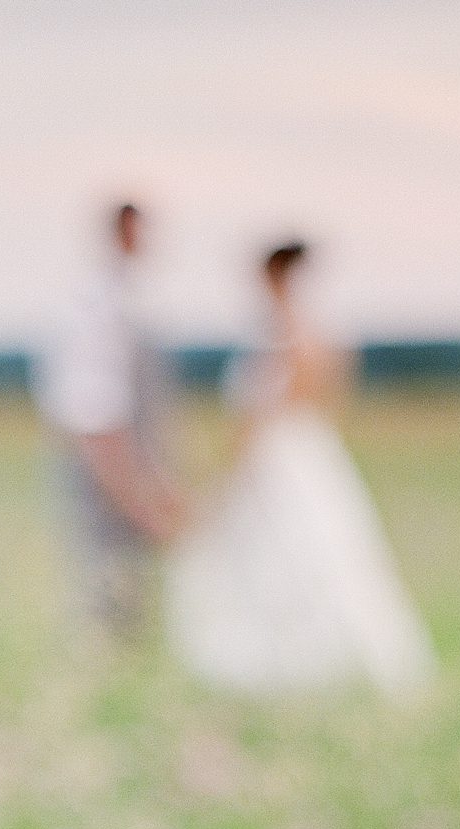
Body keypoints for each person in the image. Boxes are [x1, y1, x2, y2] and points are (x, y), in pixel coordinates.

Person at [166, 239, 435, 694]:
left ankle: (286, 665)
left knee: (280, 552)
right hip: (310, 453)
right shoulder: (320, 334)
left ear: (273, 276)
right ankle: (321, 662)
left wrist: (230, 472)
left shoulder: (281, 336)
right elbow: (335, 394)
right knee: (324, 552)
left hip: (277, 459)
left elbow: (258, 417)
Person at [33, 201, 186, 636]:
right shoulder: (95, 310)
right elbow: (95, 422)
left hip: (132, 476)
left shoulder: (134, 304)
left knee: (137, 606)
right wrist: (135, 500)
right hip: (104, 487)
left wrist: (160, 484)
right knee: (111, 606)